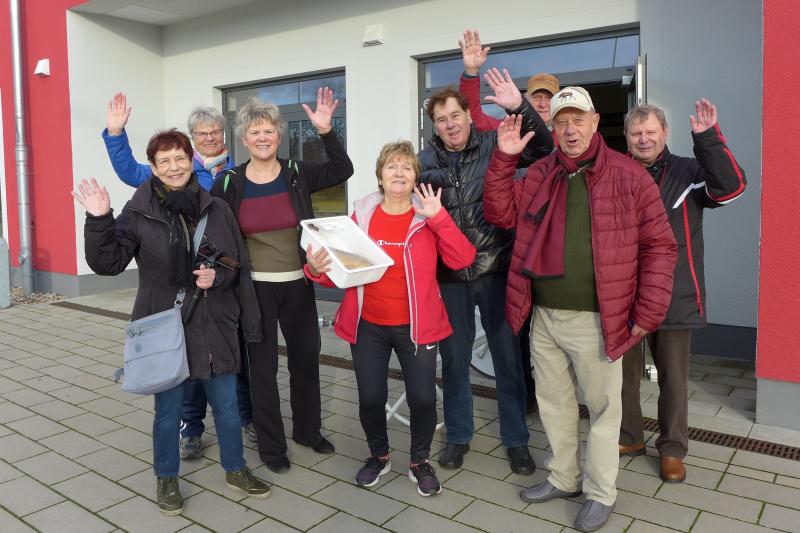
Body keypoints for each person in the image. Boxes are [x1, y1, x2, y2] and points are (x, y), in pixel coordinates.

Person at [483, 87, 677, 531]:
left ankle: (601, 492)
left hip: (598, 318)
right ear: (553, 128)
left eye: (578, 120)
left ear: (594, 122)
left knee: (604, 411)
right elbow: (500, 213)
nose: (570, 130)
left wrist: (648, 311)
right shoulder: (542, 172)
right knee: (553, 404)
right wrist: (504, 159)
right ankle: (564, 477)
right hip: (544, 314)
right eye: (561, 122)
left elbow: (660, 247)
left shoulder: (629, 175)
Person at [73, 129, 270, 516]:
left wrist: (218, 276)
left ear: (191, 160)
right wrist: (98, 219)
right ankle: (167, 477)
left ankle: (235, 469)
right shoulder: (139, 211)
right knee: (168, 412)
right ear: (153, 167)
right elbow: (108, 263)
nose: (174, 167)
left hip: (215, 324)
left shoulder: (216, 208)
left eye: (180, 158)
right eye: (164, 161)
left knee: (227, 407)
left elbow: (236, 264)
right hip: (166, 326)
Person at [305, 141, 476, 496]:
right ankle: (378, 455)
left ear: (415, 177)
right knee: (370, 397)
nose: (399, 172)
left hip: (417, 326)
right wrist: (315, 270)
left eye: (406, 167)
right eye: (392, 166)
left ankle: (419, 461)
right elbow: (339, 271)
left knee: (423, 398)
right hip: (368, 325)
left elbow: (463, 259)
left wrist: (439, 218)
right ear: (380, 176)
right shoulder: (362, 218)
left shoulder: (427, 217)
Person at [102, 93, 254, 461]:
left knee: (228, 372)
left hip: (219, 293)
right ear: (193, 139)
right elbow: (129, 171)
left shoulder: (237, 173)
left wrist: (224, 276)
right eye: (202, 133)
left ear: (224, 135)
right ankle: (192, 430)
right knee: (183, 374)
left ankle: (245, 425)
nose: (209, 137)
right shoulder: (170, 175)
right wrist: (116, 134)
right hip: (177, 299)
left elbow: (234, 238)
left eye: (215, 131)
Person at [418, 65, 553, 475]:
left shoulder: (496, 142)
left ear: (468, 115)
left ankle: (517, 441)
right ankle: (458, 436)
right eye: (441, 119)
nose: (450, 124)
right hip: (450, 277)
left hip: (498, 269)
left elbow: (543, 149)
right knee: (454, 361)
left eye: (455, 115)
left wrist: (520, 107)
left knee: (508, 360)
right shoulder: (423, 161)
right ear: (434, 126)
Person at [211, 88, 354, 473]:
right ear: (244, 139)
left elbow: (342, 170)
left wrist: (326, 132)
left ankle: (307, 431)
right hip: (254, 290)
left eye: (269, 130)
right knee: (262, 371)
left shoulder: (297, 173)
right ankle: (271, 447)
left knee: (305, 361)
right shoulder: (228, 183)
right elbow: (215, 235)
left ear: (279, 135)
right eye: (255, 131)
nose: (263, 137)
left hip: (299, 285)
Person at [619, 100, 746, 483]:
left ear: (664, 133)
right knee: (622, 376)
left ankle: (672, 450)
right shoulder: (616, 173)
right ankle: (629, 437)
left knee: (673, 378)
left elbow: (731, 187)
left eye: (650, 132)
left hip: (675, 294)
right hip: (624, 295)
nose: (643, 139)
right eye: (636, 133)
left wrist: (707, 139)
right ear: (626, 137)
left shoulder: (689, 172)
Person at [458, 29, 561, 413]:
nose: (542, 103)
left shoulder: (566, 139)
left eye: (548, 98)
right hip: (515, 250)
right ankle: (525, 396)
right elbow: (473, 117)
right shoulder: (505, 132)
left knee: (555, 330)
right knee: (516, 328)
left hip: (554, 253)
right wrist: (471, 74)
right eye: (536, 97)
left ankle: (558, 398)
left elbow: (551, 151)